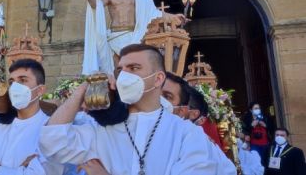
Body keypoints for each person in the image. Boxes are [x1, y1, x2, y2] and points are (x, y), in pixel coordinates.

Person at [40, 44, 218, 174]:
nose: (124, 75)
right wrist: (83, 90)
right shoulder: (103, 130)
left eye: (134, 68)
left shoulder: (186, 133)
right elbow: (52, 144)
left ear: (157, 79)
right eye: (120, 70)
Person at [80, 0, 188, 75]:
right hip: (113, 38)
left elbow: (154, 12)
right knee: (117, 71)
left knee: (133, 70)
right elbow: (96, 7)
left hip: (134, 36)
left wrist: (174, 17)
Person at [0, 58, 64, 175]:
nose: (15, 87)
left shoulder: (50, 129)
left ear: (40, 90)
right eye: (11, 82)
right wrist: (19, 170)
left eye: (23, 80)